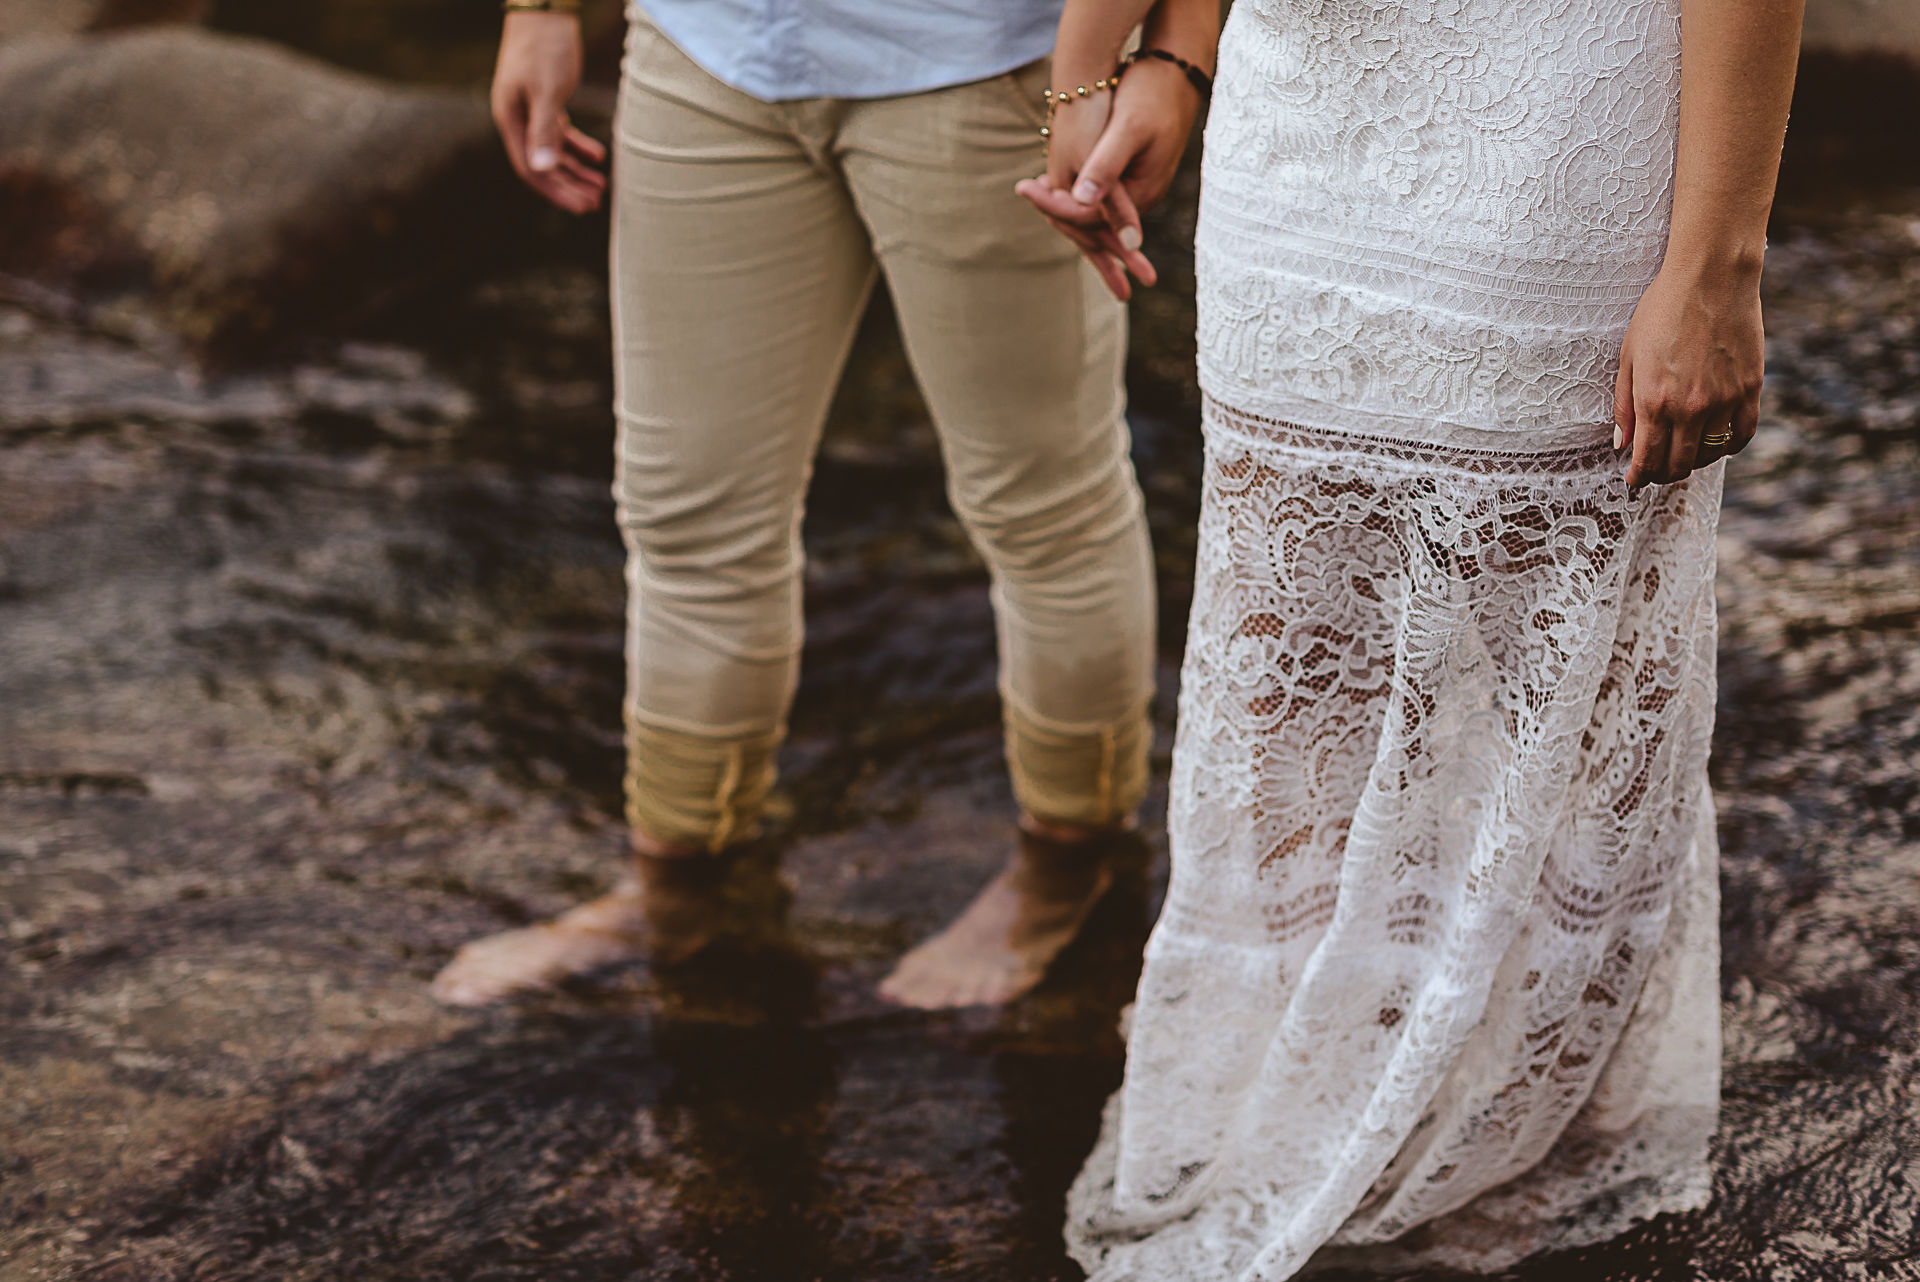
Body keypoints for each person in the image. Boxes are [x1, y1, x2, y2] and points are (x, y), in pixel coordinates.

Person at [1020, 0, 1803, 1273]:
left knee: (1562, 674)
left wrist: (1719, 261)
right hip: (1301, 146)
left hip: (1557, 142)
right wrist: (1166, 57)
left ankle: (1513, 1104)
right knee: (1284, 679)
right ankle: (1303, 1089)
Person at [429, 0, 1161, 1010]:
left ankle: (1067, 866)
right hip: (705, 53)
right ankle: (675, 875)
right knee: (686, 518)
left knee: (1043, 511)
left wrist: (1092, 75)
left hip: (985, 67)